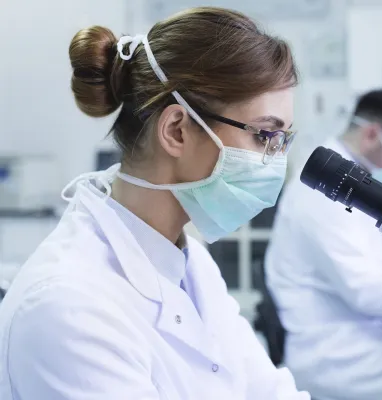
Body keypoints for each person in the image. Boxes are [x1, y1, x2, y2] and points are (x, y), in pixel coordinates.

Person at [0, 7, 309, 400]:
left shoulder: (191, 265)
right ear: (177, 131)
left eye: (283, 140)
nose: (276, 161)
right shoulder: (69, 306)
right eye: (265, 136)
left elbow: (269, 391)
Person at [266, 88, 382, 400]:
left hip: (364, 331)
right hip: (339, 354)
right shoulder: (326, 190)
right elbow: (367, 290)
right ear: (371, 135)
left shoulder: (359, 182)